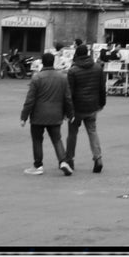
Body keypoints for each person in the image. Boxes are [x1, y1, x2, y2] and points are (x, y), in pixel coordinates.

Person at [20, 50, 73, 175]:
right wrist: (69, 114)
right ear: (53, 62)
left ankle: (38, 165)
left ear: (42, 62)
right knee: (57, 139)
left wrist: (24, 116)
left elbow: (30, 99)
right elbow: (67, 98)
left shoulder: (37, 77)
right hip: (56, 114)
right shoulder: (62, 77)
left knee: (37, 139)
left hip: (38, 115)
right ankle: (63, 161)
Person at [65, 38, 107, 174]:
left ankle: (70, 159)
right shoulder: (97, 68)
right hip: (92, 106)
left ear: (76, 55)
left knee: (72, 133)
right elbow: (102, 88)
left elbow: (69, 93)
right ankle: (98, 158)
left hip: (77, 108)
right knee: (92, 131)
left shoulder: (73, 71)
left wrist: (68, 110)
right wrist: (101, 103)